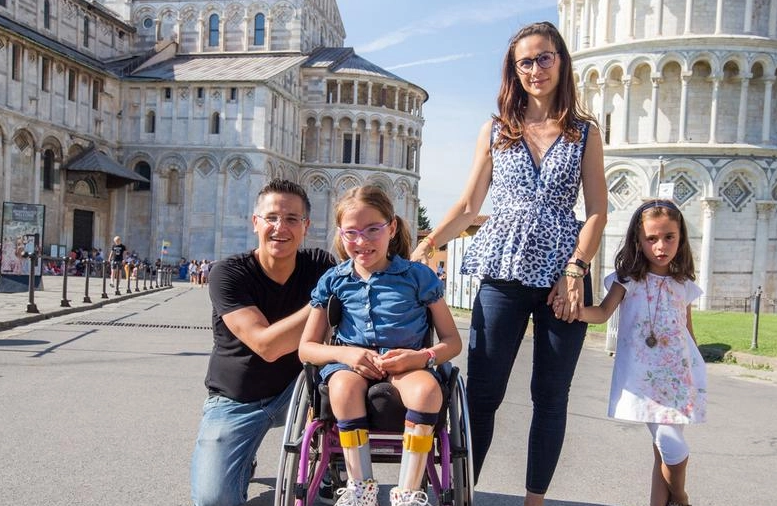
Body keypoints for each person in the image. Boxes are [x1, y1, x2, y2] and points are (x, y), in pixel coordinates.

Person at [409, 21, 607, 505]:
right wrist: (426, 244)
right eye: (525, 62)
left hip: (563, 277)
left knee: (550, 397)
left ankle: (534, 500)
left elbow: (598, 210)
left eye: (544, 58)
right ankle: (461, 493)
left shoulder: (584, 132)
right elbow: (469, 203)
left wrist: (576, 271)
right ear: (513, 71)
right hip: (503, 269)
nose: (536, 69)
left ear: (561, 61)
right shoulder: (497, 129)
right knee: (483, 393)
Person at [299, 185, 462, 506]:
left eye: (373, 229)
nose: (362, 241)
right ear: (341, 235)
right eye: (352, 233)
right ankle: (361, 488)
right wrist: (345, 353)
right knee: (342, 387)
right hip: (351, 365)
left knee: (428, 391)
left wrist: (422, 357)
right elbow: (307, 347)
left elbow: (452, 341)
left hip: (407, 365)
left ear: (392, 227)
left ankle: (409, 492)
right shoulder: (334, 279)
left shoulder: (418, 277)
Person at [190, 179, 335, 506]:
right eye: (271, 217)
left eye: (292, 219)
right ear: (255, 223)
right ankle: (242, 454)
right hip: (237, 399)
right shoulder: (228, 273)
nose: (280, 227)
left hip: (300, 395)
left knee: (345, 388)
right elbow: (266, 346)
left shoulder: (321, 266)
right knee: (214, 501)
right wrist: (321, 302)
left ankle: (329, 464)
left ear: (305, 227)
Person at [577, 199, 706, 506]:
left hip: (676, 380)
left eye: (669, 237)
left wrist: (694, 377)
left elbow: (687, 332)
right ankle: (682, 498)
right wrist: (575, 311)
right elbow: (603, 313)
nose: (661, 246)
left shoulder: (683, 283)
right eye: (652, 238)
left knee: (662, 449)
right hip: (643, 382)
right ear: (638, 241)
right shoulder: (629, 280)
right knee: (671, 446)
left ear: (681, 238)